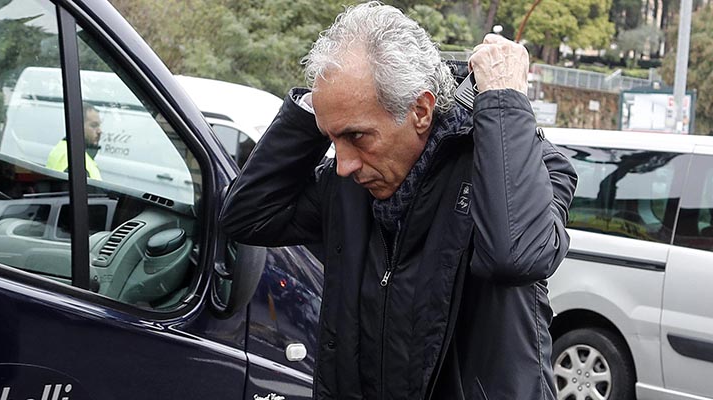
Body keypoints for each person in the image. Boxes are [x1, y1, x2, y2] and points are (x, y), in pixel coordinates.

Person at [219, 2, 577, 399]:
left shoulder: (520, 170)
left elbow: (516, 254)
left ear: (421, 111)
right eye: (332, 138)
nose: (344, 165)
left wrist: (505, 99)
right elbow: (247, 215)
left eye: (356, 136)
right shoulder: (347, 189)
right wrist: (318, 106)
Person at [46, 103, 102, 179]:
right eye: (94, 125)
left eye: (99, 125)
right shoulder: (76, 161)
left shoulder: (64, 148)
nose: (99, 131)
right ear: (77, 126)